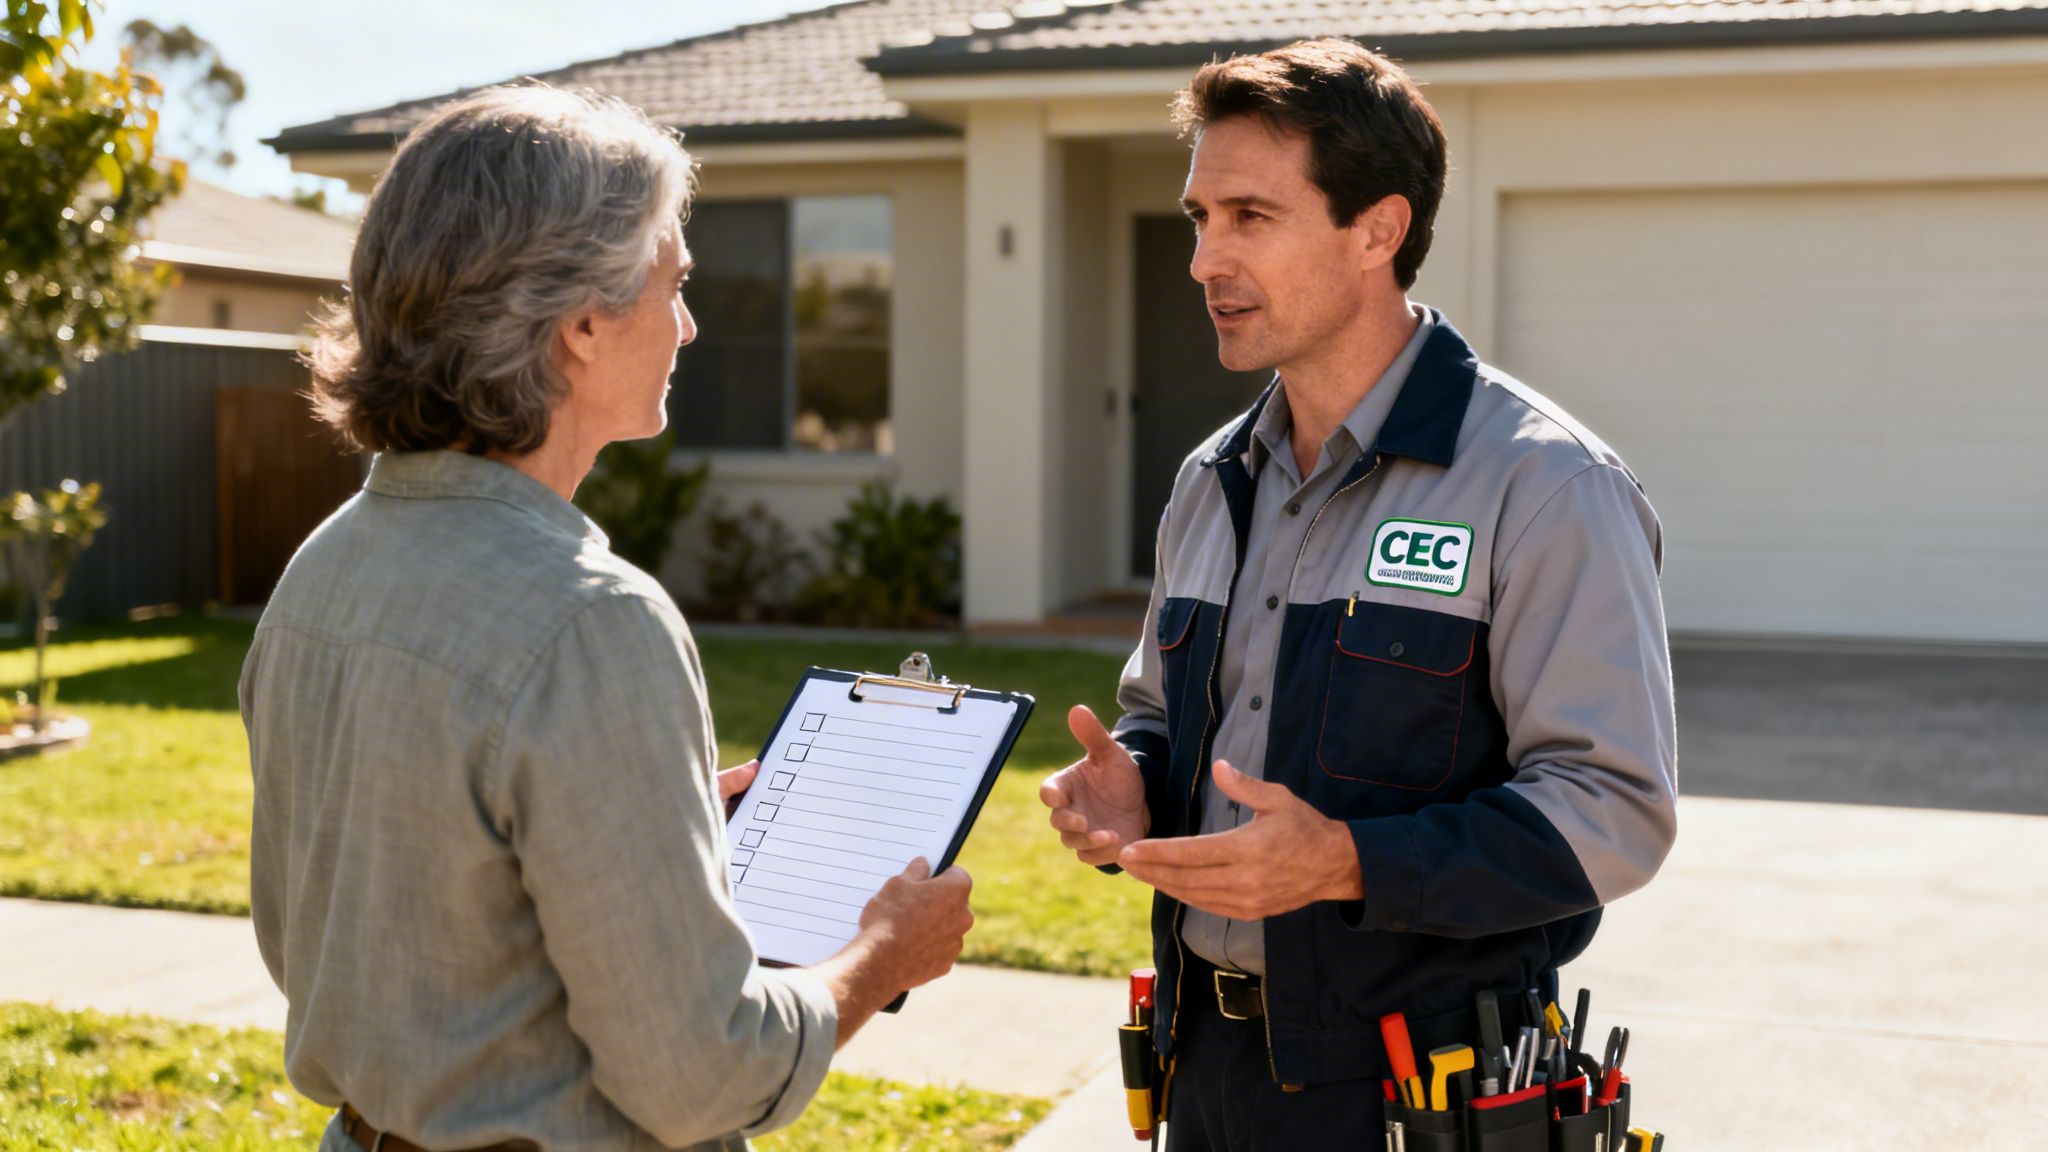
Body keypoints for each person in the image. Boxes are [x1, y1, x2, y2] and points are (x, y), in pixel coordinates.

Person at [241, 84, 972, 1152]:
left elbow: (367, 932)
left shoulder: (325, 568)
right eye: (672, 283)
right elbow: (702, 1075)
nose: (688, 323)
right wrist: (882, 953)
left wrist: (646, 845)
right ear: (581, 321)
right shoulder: (592, 620)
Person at [1041, 39, 1677, 1149]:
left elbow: (1613, 814)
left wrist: (1345, 860)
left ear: (1377, 230)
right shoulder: (1210, 481)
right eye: (1198, 218)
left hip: (1416, 1092)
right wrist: (1135, 782)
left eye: (1248, 215)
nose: (1202, 259)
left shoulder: (1543, 484)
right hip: (1207, 1070)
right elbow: (1158, 713)